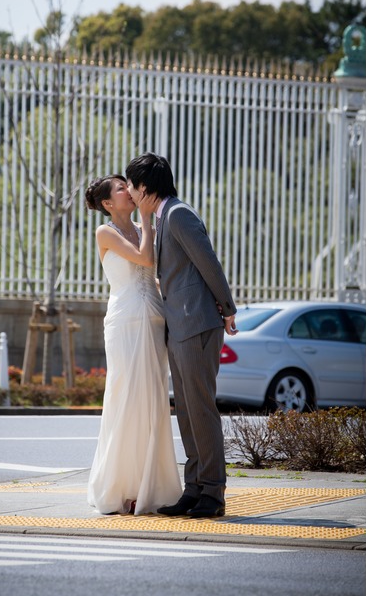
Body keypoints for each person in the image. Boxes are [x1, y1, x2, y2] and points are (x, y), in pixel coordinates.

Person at [124, 152, 237, 518]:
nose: (127, 189)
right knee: (187, 412)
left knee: (201, 410)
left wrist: (228, 307)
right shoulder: (160, 217)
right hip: (180, 326)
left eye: (130, 183)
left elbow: (208, 262)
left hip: (197, 324)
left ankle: (213, 494)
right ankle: (194, 488)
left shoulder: (178, 214)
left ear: (144, 187)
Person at [84, 174, 182, 515]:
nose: (130, 190)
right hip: (125, 321)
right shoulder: (105, 232)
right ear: (109, 203)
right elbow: (144, 260)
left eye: (129, 185)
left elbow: (157, 270)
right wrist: (145, 216)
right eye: (122, 188)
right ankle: (120, 487)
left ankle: (149, 486)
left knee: (153, 401)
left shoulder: (145, 230)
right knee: (125, 398)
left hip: (154, 316)